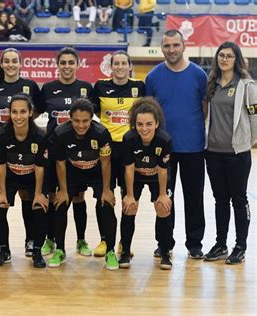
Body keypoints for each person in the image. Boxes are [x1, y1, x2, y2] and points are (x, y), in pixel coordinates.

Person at [146, 29, 207, 259]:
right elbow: (149, 111)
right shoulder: (153, 77)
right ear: (162, 48)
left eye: (175, 45)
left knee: (194, 197)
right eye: (167, 46)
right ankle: (164, 243)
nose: (171, 50)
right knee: (163, 197)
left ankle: (194, 243)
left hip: (193, 147)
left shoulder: (199, 75)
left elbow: (204, 108)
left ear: (183, 46)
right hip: (163, 150)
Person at [37, 46, 95, 262]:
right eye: (63, 63)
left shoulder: (86, 88)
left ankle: (81, 240)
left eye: (71, 63)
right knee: (55, 197)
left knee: (78, 197)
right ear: (58, 65)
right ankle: (51, 239)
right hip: (54, 151)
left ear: (78, 65)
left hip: (78, 154)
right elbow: (36, 112)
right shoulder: (49, 88)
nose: (67, 66)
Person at [203, 42, 256, 264]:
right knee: (220, 200)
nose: (224, 59)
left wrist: (247, 142)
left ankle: (240, 246)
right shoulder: (211, 84)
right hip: (213, 153)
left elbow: (254, 118)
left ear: (237, 60)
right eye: (221, 55)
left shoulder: (247, 85)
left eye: (229, 56)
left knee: (239, 199)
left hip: (238, 154)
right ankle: (220, 244)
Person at [51, 98, 116, 269]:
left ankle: (110, 251)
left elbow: (106, 162)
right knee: (60, 204)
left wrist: (107, 190)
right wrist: (63, 190)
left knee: (106, 204)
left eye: (85, 121)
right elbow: (59, 163)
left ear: (92, 119)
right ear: (70, 119)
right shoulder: (60, 133)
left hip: (97, 172)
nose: (81, 125)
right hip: (73, 172)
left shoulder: (101, 133)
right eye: (76, 121)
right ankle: (60, 250)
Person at [0, 48, 41, 256]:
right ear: (1, 64)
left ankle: (31, 240)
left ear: (21, 63)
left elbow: (38, 110)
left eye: (14, 61)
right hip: (3, 144)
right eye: (6, 61)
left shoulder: (30, 86)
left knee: (27, 196)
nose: (10, 64)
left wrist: (24, 130)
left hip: (26, 143)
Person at [93, 50, 145, 257]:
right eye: (117, 64)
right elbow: (97, 113)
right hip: (107, 149)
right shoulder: (100, 86)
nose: (120, 67)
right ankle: (106, 240)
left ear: (129, 66)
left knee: (128, 196)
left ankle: (125, 242)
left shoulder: (139, 87)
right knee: (104, 194)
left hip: (131, 149)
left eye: (124, 63)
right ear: (111, 66)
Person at [0, 94, 49, 267]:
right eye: (14, 112)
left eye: (23, 111)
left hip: (33, 178)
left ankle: (37, 251)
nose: (18, 116)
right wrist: (1, 193)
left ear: (30, 113)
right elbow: (0, 165)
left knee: (40, 207)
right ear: (9, 113)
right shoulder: (1, 135)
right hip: (10, 177)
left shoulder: (40, 136)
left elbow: (40, 167)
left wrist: (39, 193)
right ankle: (4, 250)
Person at [120, 97, 174, 270]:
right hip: (135, 176)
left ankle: (165, 253)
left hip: (157, 176)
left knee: (163, 207)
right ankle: (125, 252)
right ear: (134, 124)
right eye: (140, 124)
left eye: (149, 124)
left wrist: (163, 195)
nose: (144, 129)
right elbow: (128, 169)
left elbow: (163, 170)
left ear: (157, 123)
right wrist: (129, 196)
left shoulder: (164, 140)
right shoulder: (128, 139)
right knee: (129, 207)